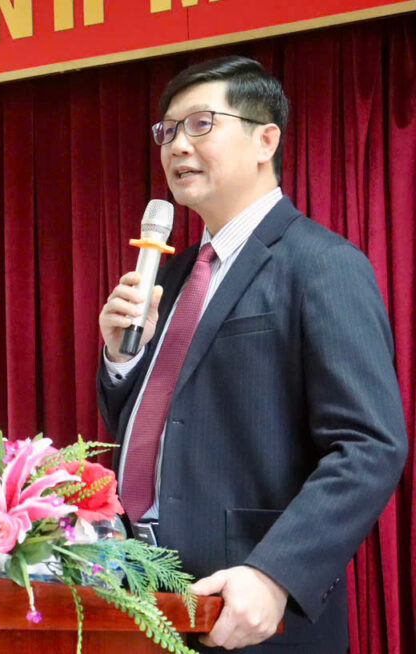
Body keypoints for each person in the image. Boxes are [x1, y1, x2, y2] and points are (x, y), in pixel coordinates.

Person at [96, 56, 407, 652]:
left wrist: (274, 575)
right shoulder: (174, 275)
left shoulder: (321, 264)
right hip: (146, 594)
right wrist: (122, 361)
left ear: (266, 140)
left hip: (249, 607)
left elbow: (370, 445)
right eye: (168, 130)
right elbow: (162, 428)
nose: (176, 145)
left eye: (201, 124)